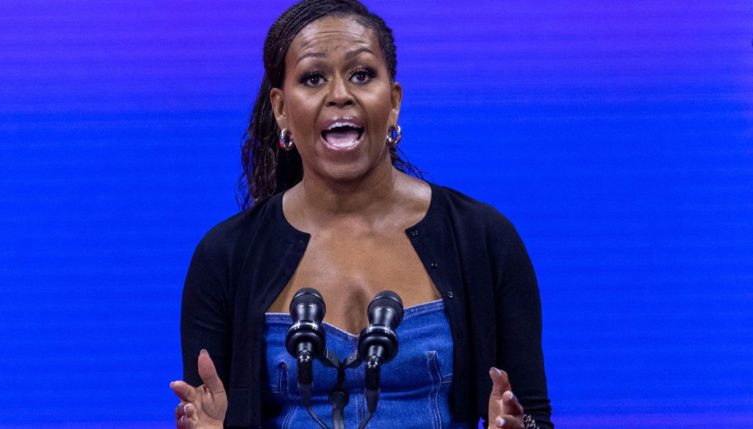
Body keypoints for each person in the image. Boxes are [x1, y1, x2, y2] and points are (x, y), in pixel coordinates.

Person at [169, 0, 552, 428]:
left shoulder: (482, 238)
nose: (339, 94)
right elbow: (207, 415)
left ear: (393, 101)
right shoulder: (226, 256)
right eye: (314, 78)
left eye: (362, 75)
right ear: (281, 108)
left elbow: (532, 415)